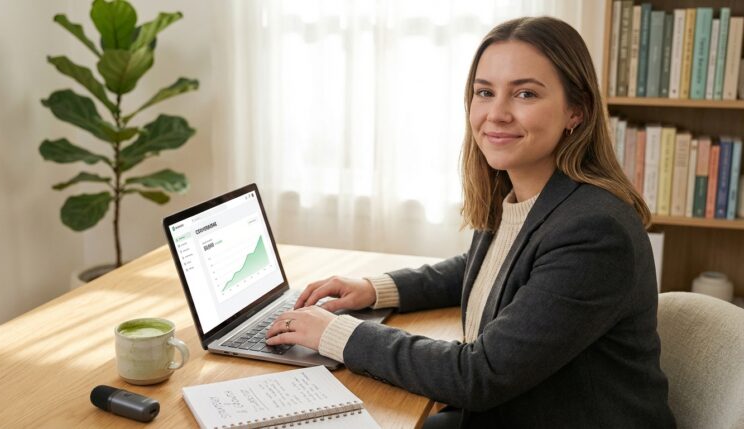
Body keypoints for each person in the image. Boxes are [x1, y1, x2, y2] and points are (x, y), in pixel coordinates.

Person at [266, 16, 675, 428]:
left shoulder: (595, 232)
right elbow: (491, 269)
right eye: (484, 92)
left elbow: (478, 375)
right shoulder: (526, 195)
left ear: (577, 111)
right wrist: (375, 289)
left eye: (525, 93)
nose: (496, 114)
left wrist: (337, 334)